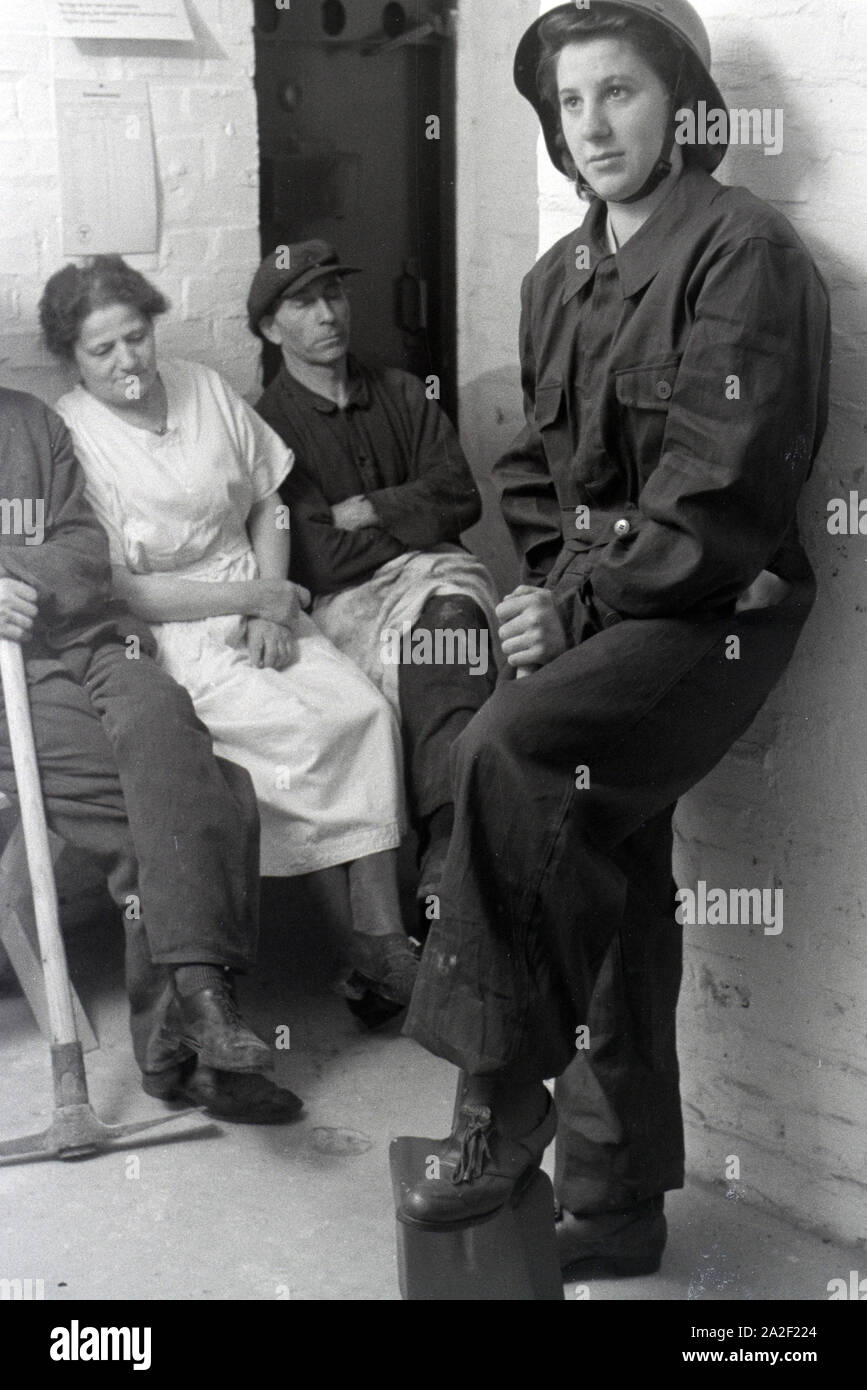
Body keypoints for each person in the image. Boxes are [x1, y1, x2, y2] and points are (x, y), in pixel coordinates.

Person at [394, 0, 830, 1259]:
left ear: (685, 103)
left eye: (620, 93)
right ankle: (618, 1199)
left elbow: (716, 503)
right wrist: (547, 590)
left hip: (715, 610)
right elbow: (533, 473)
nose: (592, 125)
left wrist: (569, 601)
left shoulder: (742, 252)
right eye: (569, 102)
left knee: (510, 755)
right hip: (618, 601)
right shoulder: (555, 278)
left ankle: (498, 1096)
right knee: (610, 868)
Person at [38, 257, 417, 1009]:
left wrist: (267, 610)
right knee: (291, 738)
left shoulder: (201, 386)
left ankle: (383, 935)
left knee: (362, 713)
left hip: (261, 601)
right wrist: (260, 597)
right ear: (72, 359)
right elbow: (125, 588)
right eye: (102, 350)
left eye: (136, 337)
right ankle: (361, 953)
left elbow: (269, 502)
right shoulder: (70, 433)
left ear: (154, 328)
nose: (128, 362)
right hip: (172, 629)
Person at [0, 382, 302, 1124]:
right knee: (202, 793)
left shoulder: (30, 422)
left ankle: (192, 1022)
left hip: (91, 641)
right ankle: (194, 1039)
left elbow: (83, 562)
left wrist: (15, 574)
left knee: (173, 741)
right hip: (6, 685)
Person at [249, 242, 500, 908]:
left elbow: (460, 497)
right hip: (342, 602)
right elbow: (317, 558)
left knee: (450, 632)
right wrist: (414, 517)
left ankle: (449, 846)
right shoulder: (267, 425)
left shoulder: (401, 392)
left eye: (334, 293)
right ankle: (408, 903)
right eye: (303, 303)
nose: (327, 313)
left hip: (436, 576)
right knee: (398, 675)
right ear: (272, 329)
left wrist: (366, 510)